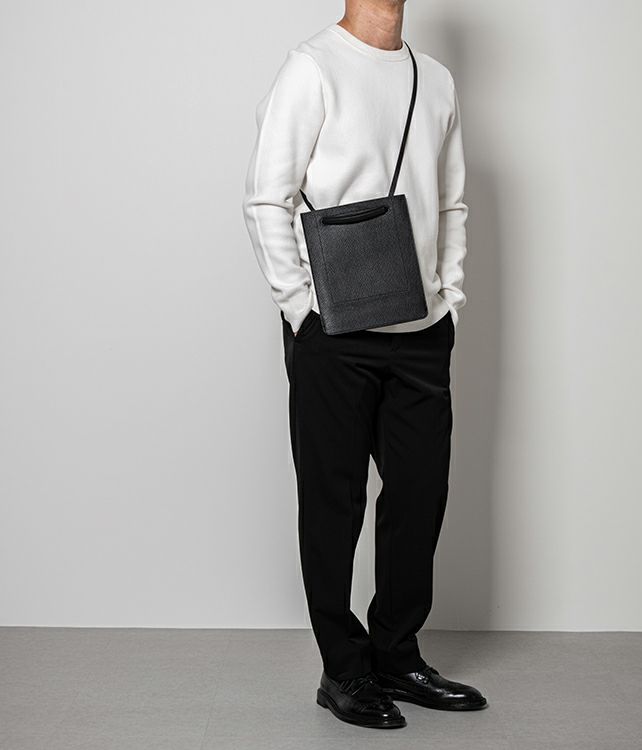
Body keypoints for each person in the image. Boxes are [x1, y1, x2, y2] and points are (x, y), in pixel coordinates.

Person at [242, 0, 487, 729]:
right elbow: (267, 197)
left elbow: (452, 202)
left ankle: (397, 656)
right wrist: (302, 310)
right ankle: (343, 670)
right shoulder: (311, 68)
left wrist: (448, 299)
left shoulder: (434, 79)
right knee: (334, 502)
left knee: (419, 496)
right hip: (335, 331)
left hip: (421, 328)